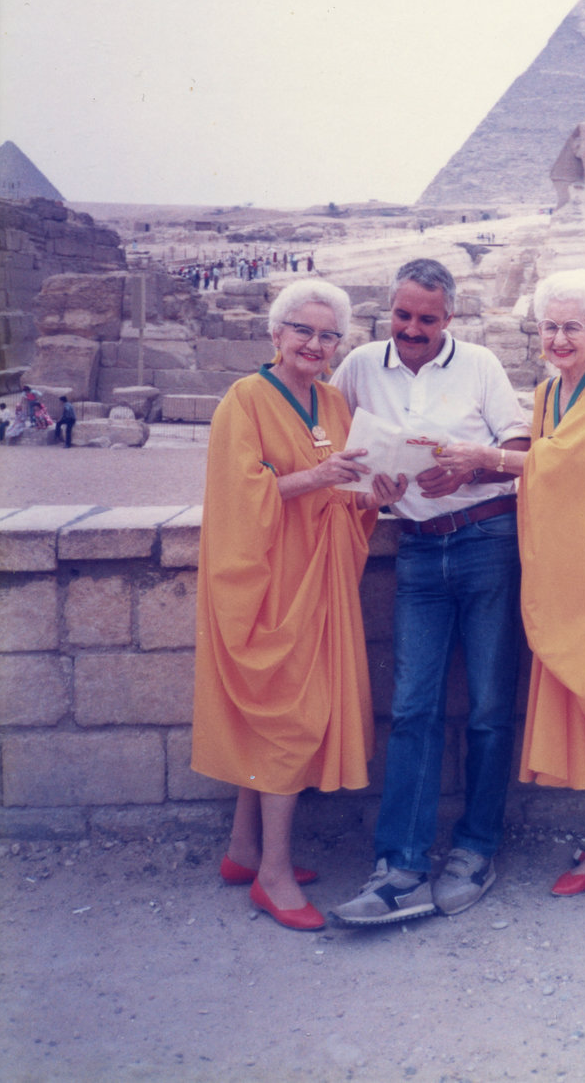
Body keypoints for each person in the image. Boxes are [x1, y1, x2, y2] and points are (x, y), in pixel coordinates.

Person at [437, 268, 585, 915]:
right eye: (549, 326)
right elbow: (552, 479)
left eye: (572, 327)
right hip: (580, 579)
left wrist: (485, 458)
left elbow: (566, 462)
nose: (559, 338)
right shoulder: (548, 393)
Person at [192, 278, 405, 931]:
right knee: (287, 718)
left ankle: (244, 850)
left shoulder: (334, 402)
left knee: (284, 714)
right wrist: (315, 476)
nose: (315, 344)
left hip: (320, 580)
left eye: (328, 335)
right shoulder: (245, 400)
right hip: (269, 583)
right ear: (276, 334)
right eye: (304, 331)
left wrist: (377, 496)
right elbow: (236, 494)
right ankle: (274, 876)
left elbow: (345, 492)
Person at [329, 258, 530, 925]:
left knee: (490, 707)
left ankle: (475, 850)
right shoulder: (359, 366)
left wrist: (470, 469)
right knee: (413, 707)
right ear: (389, 310)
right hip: (416, 549)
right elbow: (328, 444)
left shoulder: (481, 365)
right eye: (403, 315)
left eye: (427, 318)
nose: (413, 329)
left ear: (450, 317)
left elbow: (520, 442)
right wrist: (372, 488)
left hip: (487, 542)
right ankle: (400, 866)